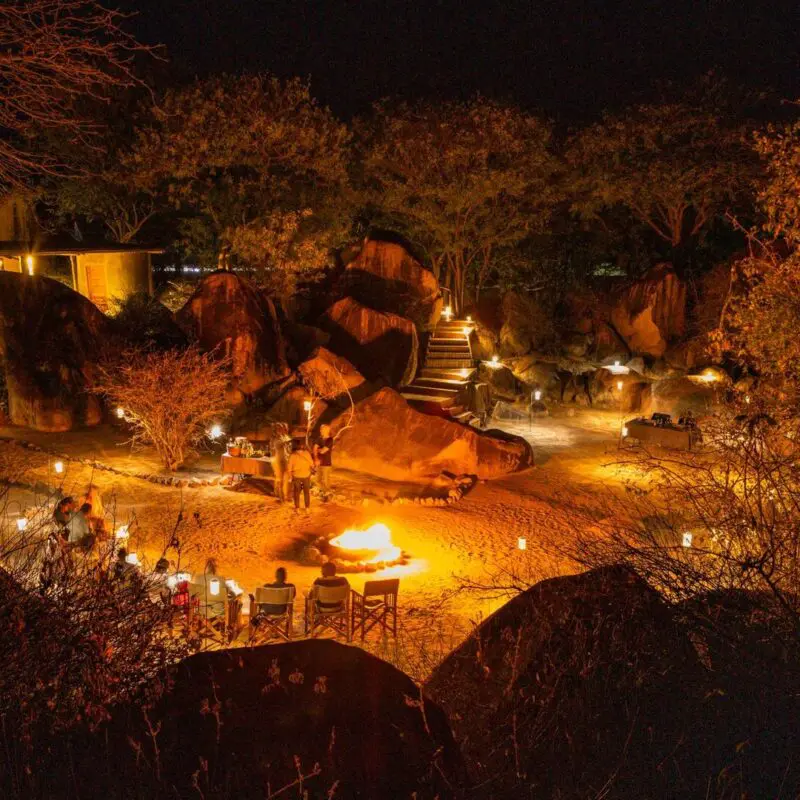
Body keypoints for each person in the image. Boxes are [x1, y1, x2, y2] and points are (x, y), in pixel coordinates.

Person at [286, 439, 315, 512]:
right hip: (306, 475)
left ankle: (297, 508)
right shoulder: (307, 453)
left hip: (296, 476)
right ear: (302, 447)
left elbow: (289, 468)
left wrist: (290, 477)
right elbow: (312, 464)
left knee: (296, 492)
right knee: (306, 492)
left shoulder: (292, 455)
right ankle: (307, 508)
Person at [269, 423, 291, 503]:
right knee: (280, 478)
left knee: (285, 478)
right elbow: (274, 447)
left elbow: (289, 448)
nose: (282, 430)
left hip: (285, 459)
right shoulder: (274, 438)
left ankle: (281, 494)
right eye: (279, 428)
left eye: (283, 428)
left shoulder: (285, 437)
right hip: (276, 459)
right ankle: (282, 497)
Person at [313, 425, 334, 498]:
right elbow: (314, 448)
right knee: (317, 480)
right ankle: (326, 492)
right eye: (320, 429)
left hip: (326, 464)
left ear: (327, 430)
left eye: (322, 429)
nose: (320, 431)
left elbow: (323, 451)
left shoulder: (330, 440)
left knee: (326, 481)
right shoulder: (319, 438)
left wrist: (318, 449)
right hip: (319, 463)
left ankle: (328, 493)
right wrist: (316, 458)